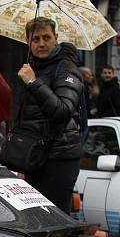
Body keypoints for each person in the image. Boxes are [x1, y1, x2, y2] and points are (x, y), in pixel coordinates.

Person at [11, 17, 83, 212]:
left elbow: (63, 111)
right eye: (35, 39)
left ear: (56, 38)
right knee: (37, 220)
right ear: (28, 41)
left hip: (59, 158)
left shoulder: (67, 68)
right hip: (36, 158)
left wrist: (34, 83)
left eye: (46, 38)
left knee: (55, 220)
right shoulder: (32, 69)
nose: (41, 43)